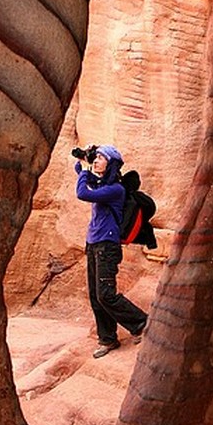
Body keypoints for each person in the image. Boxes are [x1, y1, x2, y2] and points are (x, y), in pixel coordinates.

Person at [74, 144, 149, 358]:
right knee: (95, 296)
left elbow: (82, 193)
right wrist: (83, 167)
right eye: (95, 157)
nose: (96, 160)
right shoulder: (102, 185)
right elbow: (86, 181)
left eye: (100, 158)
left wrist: (85, 173)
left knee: (106, 294)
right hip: (94, 244)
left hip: (107, 246)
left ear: (111, 164)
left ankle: (142, 323)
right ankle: (107, 339)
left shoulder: (116, 189)